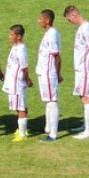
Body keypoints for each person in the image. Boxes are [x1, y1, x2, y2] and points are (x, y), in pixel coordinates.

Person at [65, 4, 89, 140]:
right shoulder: (82, 28)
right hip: (81, 69)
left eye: (69, 20)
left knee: (87, 97)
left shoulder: (86, 28)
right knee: (82, 96)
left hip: (86, 69)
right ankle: (85, 126)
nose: (70, 23)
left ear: (74, 15)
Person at [35, 9, 62, 142]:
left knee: (52, 101)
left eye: (41, 18)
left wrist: (57, 74)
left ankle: (53, 134)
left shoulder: (52, 34)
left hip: (49, 73)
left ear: (47, 20)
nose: (38, 20)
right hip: (43, 72)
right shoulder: (49, 33)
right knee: (48, 101)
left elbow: (56, 56)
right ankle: (49, 128)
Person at [3, 24, 32, 141]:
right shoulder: (16, 46)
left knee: (20, 107)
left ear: (18, 36)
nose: (9, 36)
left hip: (18, 83)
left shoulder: (21, 49)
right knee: (18, 106)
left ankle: (23, 134)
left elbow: (24, 67)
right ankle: (22, 129)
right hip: (12, 82)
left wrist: (26, 80)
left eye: (11, 34)